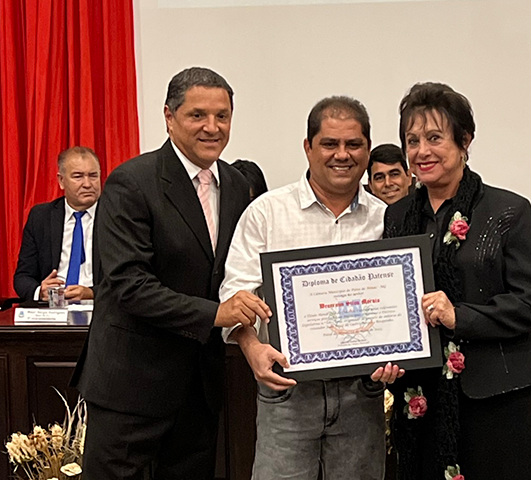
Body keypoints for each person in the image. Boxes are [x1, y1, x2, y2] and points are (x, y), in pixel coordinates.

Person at [72, 67, 269, 480]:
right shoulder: (131, 182)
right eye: (198, 115)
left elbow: (235, 272)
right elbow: (128, 285)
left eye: (222, 116)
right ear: (169, 116)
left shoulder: (236, 185)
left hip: (199, 389)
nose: (212, 127)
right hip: (131, 387)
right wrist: (216, 314)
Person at [220, 96, 404, 480]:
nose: (342, 155)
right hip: (287, 390)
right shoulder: (267, 213)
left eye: (353, 144)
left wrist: (400, 350)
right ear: (308, 147)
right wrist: (251, 347)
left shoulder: (389, 220)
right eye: (329, 144)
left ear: (368, 149)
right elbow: (235, 296)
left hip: (363, 393)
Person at [384, 82, 531, 480]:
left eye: (434, 138)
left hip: (492, 397)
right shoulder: (397, 216)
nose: (422, 151)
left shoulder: (508, 211)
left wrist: (460, 316)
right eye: (412, 140)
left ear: (465, 141)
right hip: (421, 394)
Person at [13, 146, 101, 302]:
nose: (87, 184)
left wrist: (93, 293)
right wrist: (40, 291)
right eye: (78, 176)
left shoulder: (117, 216)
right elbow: (23, 277)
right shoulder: (41, 217)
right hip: (52, 307)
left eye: (93, 176)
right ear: (61, 181)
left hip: (101, 307)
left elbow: (130, 278)